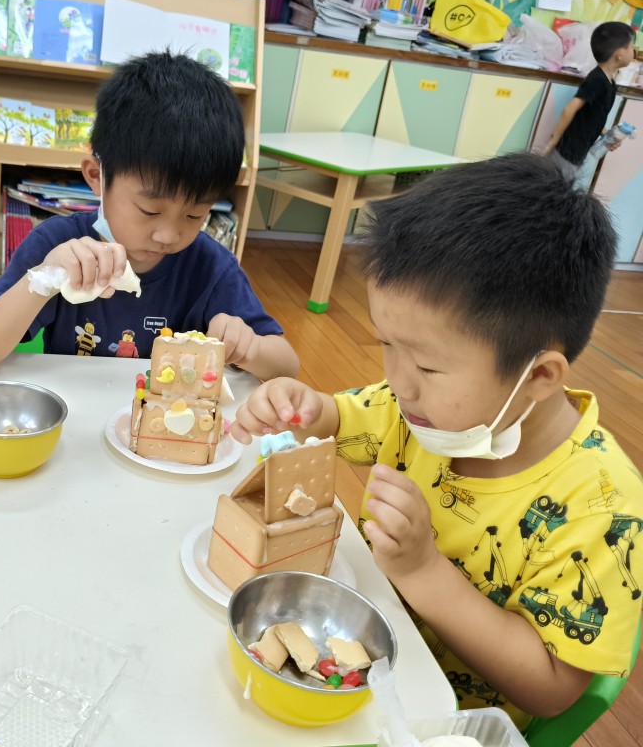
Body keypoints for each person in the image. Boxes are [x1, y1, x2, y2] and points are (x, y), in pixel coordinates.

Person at [231, 153, 643, 727]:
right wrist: (302, 407)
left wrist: (422, 570)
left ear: (540, 377)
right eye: (386, 345)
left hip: (440, 721)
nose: (400, 384)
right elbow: (342, 419)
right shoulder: (419, 409)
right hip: (352, 658)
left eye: (427, 366)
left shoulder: (603, 510)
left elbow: (552, 692)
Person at [0, 51, 298, 380]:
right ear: (96, 176)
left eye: (194, 215)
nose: (168, 235)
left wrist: (250, 348)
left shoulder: (210, 268)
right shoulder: (56, 244)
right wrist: (45, 278)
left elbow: (287, 366)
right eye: (149, 210)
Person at [543, 21, 636, 187]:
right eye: (631, 47)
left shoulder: (609, 83)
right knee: (554, 189)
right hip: (569, 150)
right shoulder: (597, 79)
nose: (634, 50)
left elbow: (592, 115)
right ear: (619, 54)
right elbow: (570, 109)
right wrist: (553, 140)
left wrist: (607, 135)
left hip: (579, 151)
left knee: (561, 188)